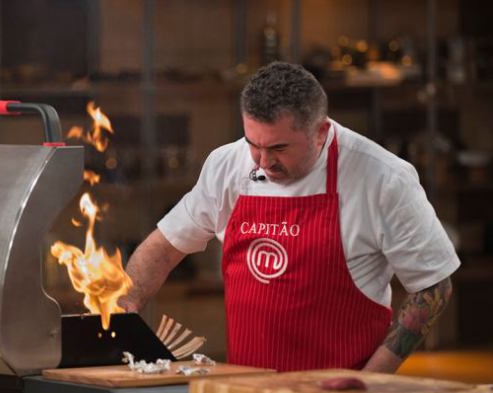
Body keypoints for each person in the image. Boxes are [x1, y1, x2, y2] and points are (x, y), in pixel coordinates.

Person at [118, 62, 459, 373]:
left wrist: (370, 382)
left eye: (279, 149)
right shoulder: (227, 165)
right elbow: (164, 247)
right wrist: (125, 307)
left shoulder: (383, 177)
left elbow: (433, 286)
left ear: (321, 132)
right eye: (254, 143)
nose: (263, 162)